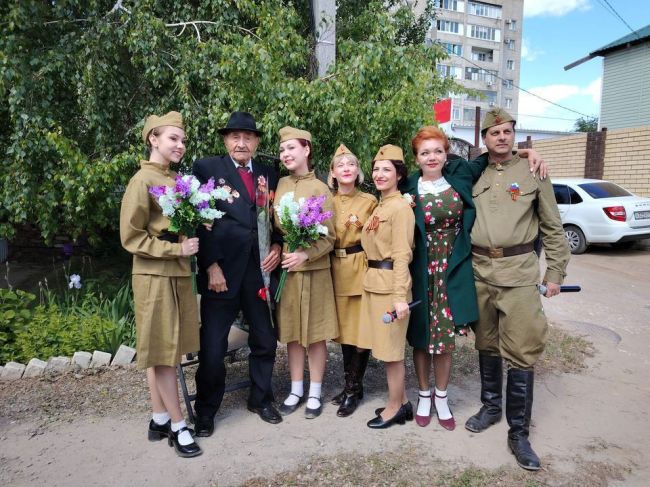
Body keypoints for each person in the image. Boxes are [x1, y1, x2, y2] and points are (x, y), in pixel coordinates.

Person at [400, 127, 547, 431]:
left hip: (453, 267)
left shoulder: (460, 174)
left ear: (446, 154)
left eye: (437, 151)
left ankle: (441, 396)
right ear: (416, 157)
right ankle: (423, 395)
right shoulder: (409, 184)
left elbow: (494, 156)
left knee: (445, 337)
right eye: (425, 152)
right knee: (421, 333)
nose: (432, 157)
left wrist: (526, 152)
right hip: (421, 269)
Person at [465, 108, 570, 471]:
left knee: (522, 350)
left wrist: (555, 270)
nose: (502, 137)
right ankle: (491, 407)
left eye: (508, 132)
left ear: (515, 135)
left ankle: (519, 432)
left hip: (520, 273)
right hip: (479, 272)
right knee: (486, 342)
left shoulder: (533, 171)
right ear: (485, 138)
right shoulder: (474, 170)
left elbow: (552, 226)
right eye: (495, 132)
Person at [192, 111, 283, 434]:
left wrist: (278, 246)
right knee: (213, 347)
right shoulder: (207, 169)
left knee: (265, 339)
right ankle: (205, 410)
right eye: (234, 136)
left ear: (257, 141)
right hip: (221, 273)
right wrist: (211, 265)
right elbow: (200, 220)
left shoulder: (269, 174)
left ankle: (260, 398)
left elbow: (277, 218)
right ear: (225, 140)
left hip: (259, 272)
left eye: (247, 137)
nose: (241, 142)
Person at [120, 111, 202, 457]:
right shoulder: (142, 181)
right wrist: (176, 248)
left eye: (182, 140)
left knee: (163, 349)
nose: (180, 145)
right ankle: (179, 427)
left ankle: (158, 417)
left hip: (177, 273)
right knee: (165, 353)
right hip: (155, 276)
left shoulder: (175, 179)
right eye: (173, 139)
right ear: (153, 139)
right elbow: (131, 236)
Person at [273, 126, 338, 419]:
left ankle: (315, 391)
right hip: (288, 270)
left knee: (314, 334)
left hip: (313, 270)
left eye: (291, 148)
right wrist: (279, 248)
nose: (286, 154)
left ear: (306, 150)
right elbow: (274, 227)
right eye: (282, 149)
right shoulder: (280, 185)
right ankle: (296, 388)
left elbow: (329, 237)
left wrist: (305, 254)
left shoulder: (321, 188)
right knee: (292, 333)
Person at [358, 144, 415, 429]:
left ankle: (393, 408)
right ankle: (403, 403)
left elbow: (402, 254)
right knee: (385, 349)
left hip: (391, 287)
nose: (379, 174)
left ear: (399, 175)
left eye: (387, 170)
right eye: (376, 169)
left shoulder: (401, 208)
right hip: (374, 284)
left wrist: (399, 297)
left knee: (392, 354)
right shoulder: (383, 205)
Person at [328, 144, 377, 417]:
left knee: (360, 331)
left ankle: (352, 388)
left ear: (357, 171)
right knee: (345, 331)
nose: (347, 169)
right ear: (333, 172)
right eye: (341, 165)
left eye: (351, 165)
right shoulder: (326, 200)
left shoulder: (369, 201)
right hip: (334, 268)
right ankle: (352, 386)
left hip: (359, 266)